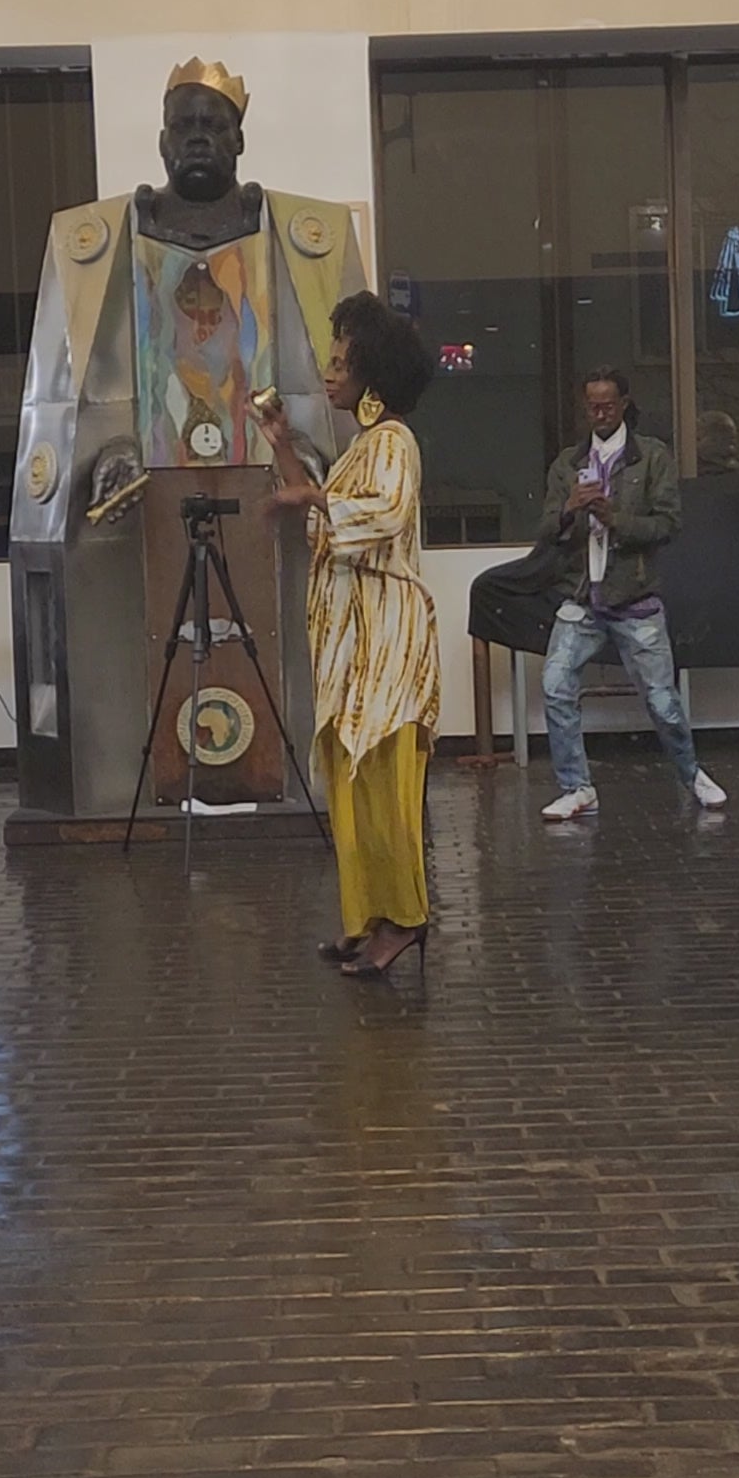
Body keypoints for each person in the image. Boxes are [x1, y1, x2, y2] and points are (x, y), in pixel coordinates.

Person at [252, 292, 440, 979]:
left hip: (387, 646)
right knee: (351, 787)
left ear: (374, 376)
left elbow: (381, 517)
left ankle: (406, 920)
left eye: (341, 364)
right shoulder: (361, 449)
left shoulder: (394, 444)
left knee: (384, 790)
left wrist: (315, 497)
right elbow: (320, 523)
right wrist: (282, 452)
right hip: (354, 651)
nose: (330, 375)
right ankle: (368, 919)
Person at [538, 367, 726, 821]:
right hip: (581, 596)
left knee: (662, 700)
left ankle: (691, 773)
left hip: (635, 598)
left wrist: (614, 516)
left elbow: (669, 524)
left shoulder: (652, 457)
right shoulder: (568, 464)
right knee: (555, 685)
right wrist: (569, 510)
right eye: (592, 406)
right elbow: (545, 531)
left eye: (607, 404)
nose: (600, 413)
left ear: (624, 404)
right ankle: (576, 786)